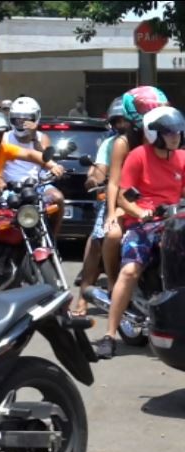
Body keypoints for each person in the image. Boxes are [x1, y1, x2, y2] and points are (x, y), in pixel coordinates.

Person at [96, 106, 185, 359]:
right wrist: (140, 211)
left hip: (175, 222)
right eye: (168, 133)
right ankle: (109, 334)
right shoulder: (138, 156)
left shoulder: (182, 158)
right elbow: (123, 197)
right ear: (154, 133)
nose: (175, 137)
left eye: (178, 132)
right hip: (145, 222)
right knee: (130, 270)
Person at [100, 86, 168, 297]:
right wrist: (111, 213)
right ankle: (112, 283)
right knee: (112, 235)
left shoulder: (170, 137)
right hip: (128, 200)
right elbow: (114, 182)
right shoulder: (123, 143)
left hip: (162, 203)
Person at [73, 97, 131, 317]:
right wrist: (93, 178)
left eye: (125, 120)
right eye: (117, 121)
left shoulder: (148, 141)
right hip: (115, 198)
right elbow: (99, 172)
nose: (121, 126)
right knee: (98, 238)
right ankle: (84, 296)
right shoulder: (110, 143)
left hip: (146, 199)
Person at [1, 96, 67, 235]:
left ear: (35, 118)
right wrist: (1, 183)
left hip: (38, 185)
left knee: (58, 198)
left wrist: (33, 136)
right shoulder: (5, 138)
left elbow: (44, 158)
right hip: (12, 187)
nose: (21, 123)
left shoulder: (42, 137)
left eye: (26, 120)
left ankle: (52, 239)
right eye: (17, 119)